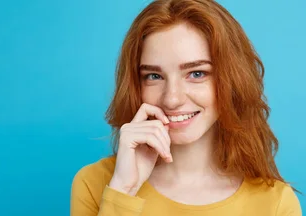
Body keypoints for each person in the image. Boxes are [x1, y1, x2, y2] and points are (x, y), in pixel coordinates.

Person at [70, 0, 302, 215]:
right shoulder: (96, 183)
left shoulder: (276, 203)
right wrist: (123, 191)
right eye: (153, 76)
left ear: (232, 80)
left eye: (196, 73)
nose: (172, 99)